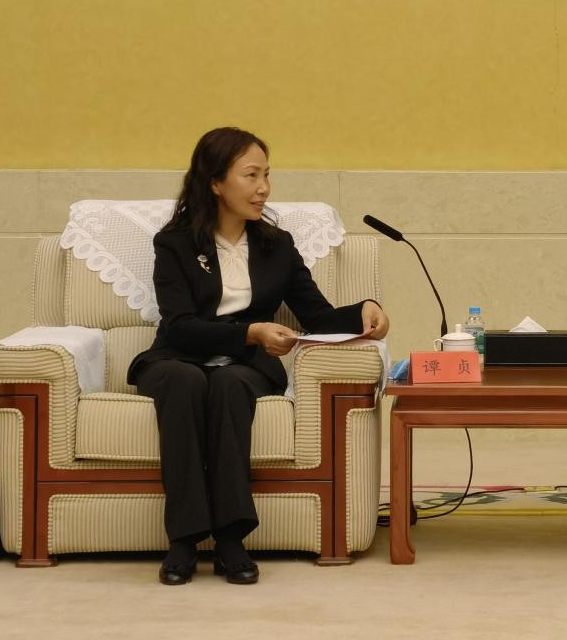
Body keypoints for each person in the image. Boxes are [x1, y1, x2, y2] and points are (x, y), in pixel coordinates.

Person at [128, 127, 390, 586]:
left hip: (244, 368)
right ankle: (184, 540)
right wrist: (249, 332)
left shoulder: (276, 245)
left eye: (266, 175)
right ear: (215, 182)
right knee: (187, 382)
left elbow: (317, 315)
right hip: (178, 359)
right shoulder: (175, 243)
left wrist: (365, 311)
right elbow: (180, 324)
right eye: (251, 175)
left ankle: (231, 539)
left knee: (230, 385)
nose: (263, 187)